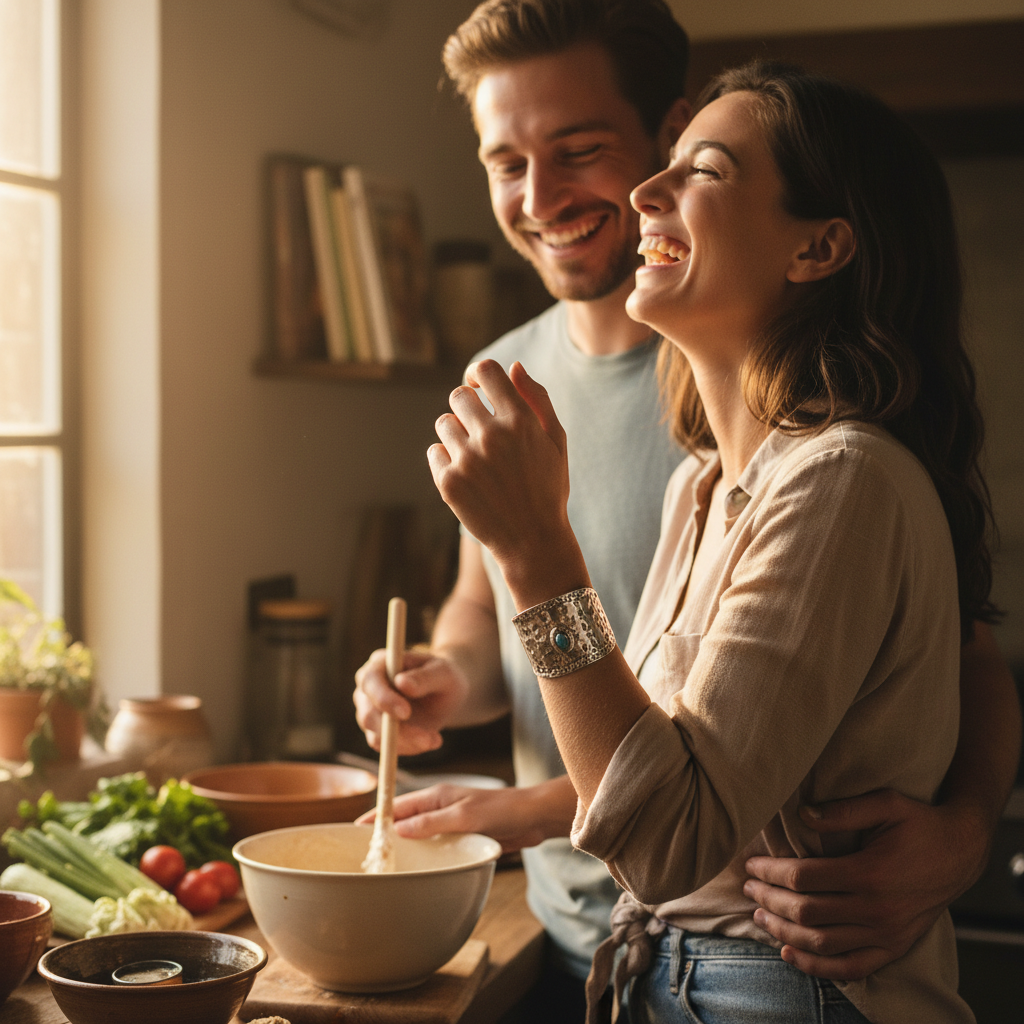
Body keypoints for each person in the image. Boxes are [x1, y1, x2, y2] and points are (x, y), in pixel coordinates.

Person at [354, 0, 1021, 1015]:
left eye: (579, 150)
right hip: (615, 942)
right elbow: (497, 623)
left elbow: (946, 659)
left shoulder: (830, 467)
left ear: (664, 135)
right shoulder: (689, 469)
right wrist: (440, 672)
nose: (541, 195)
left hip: (757, 959)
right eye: (505, 161)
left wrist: (967, 829)